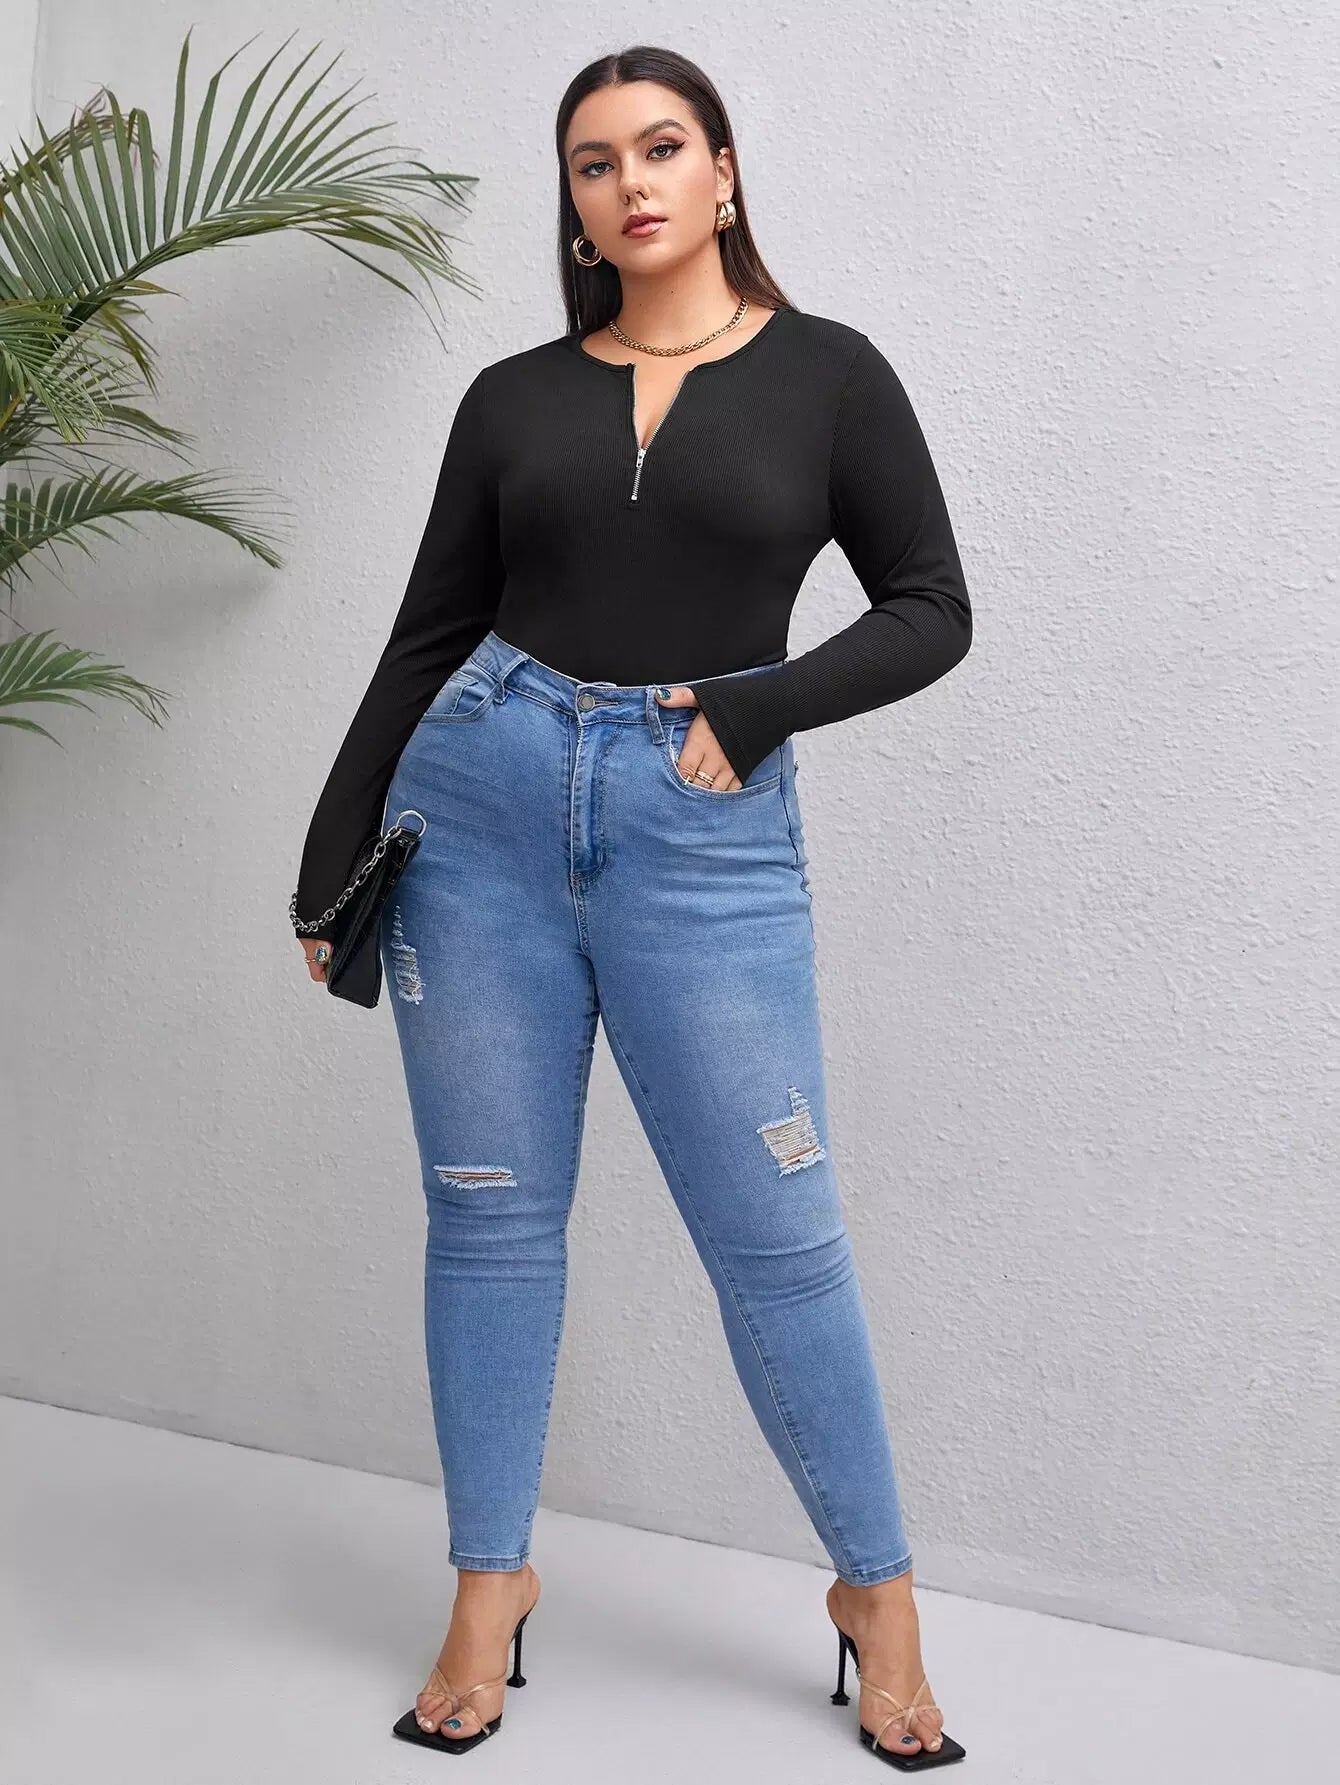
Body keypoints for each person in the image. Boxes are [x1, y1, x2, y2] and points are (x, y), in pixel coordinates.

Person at [290, 43, 971, 1768]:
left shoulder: (831, 376)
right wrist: (331, 848)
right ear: (577, 206)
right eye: (593, 163)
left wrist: (760, 704)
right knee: (488, 1220)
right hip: (480, 810)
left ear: (723, 173)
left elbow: (931, 606)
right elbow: (429, 632)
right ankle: (488, 1585)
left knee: (780, 1238)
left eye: (661, 148)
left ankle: (877, 1593)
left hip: (702, 833)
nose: (630, 183)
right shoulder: (512, 398)